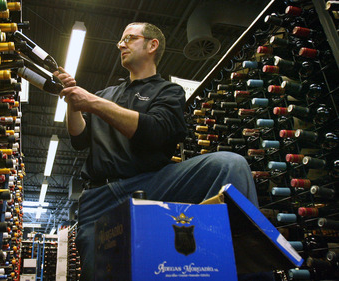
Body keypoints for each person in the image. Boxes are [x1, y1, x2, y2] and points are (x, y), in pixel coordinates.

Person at [54, 22, 260, 281]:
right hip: (99, 196)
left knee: (230, 164)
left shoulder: (168, 92)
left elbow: (155, 133)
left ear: (152, 45)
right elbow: (79, 139)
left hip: (152, 185)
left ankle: (243, 268)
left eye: (128, 38)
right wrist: (73, 102)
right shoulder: (106, 94)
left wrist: (93, 103)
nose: (120, 45)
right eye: (120, 40)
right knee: (98, 273)